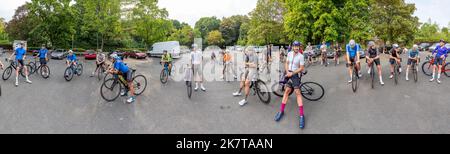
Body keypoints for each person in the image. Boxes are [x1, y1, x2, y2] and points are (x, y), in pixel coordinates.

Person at [274, 41, 306, 129]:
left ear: (299, 47)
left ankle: (301, 116)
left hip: (295, 75)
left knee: (297, 93)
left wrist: (292, 73)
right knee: (287, 91)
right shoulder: (289, 53)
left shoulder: (301, 56)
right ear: (292, 47)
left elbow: (301, 68)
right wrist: (287, 71)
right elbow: (286, 63)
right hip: (289, 73)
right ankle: (281, 111)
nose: (296, 48)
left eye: (297, 47)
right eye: (295, 46)